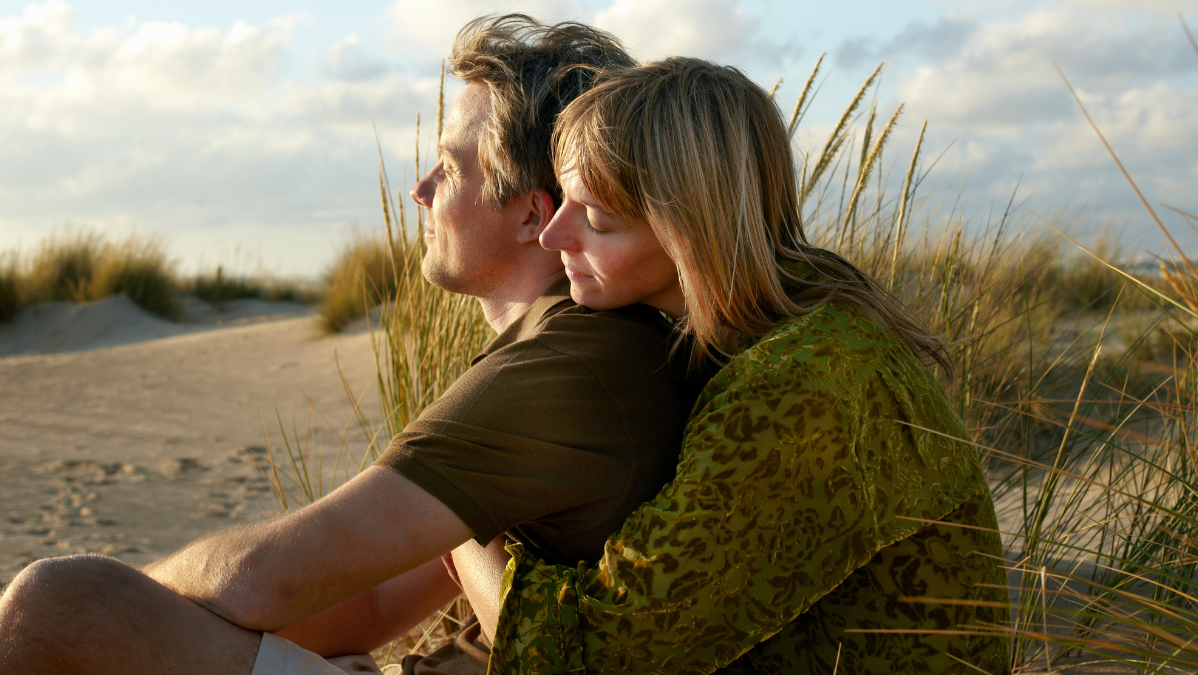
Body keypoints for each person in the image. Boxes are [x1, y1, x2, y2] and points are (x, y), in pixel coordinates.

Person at [0, 17, 711, 675]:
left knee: (58, 604)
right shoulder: (572, 346)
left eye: (449, 167)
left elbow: (258, 581)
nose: (421, 189)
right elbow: (371, 605)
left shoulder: (568, 366)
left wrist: (131, 608)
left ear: (531, 215)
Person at [456, 58, 1011, 674]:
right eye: (563, 202)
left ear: (690, 230)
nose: (553, 236)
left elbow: (594, 656)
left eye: (596, 218)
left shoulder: (796, 387)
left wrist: (460, 515)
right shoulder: (809, 326)